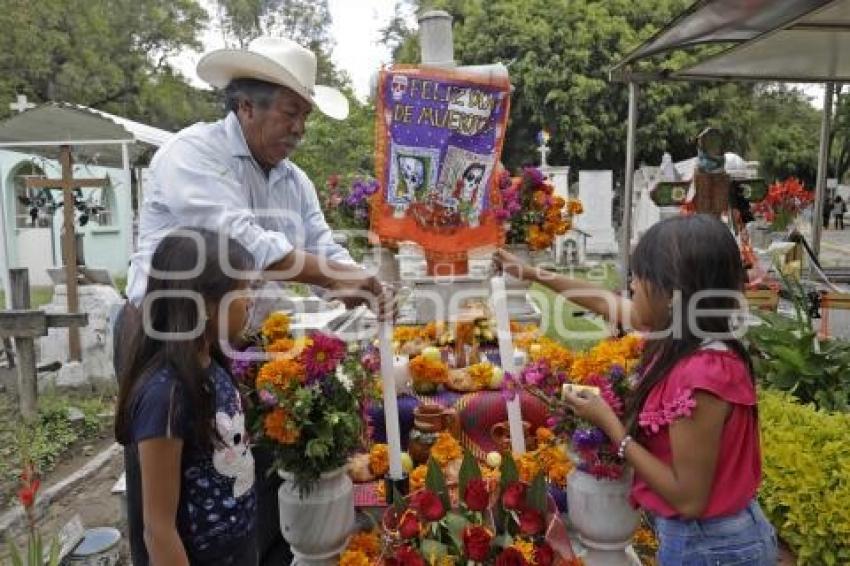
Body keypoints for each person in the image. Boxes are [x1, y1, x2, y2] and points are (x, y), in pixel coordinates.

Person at [116, 37, 391, 565]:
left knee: (242, 476)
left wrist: (362, 280)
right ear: (246, 105)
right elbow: (248, 248)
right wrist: (340, 278)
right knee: (168, 498)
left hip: (240, 347)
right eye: (290, 114)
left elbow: (319, 245)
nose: (299, 130)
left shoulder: (294, 181)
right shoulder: (193, 154)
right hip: (168, 343)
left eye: (305, 117)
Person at [496, 215, 777, 565]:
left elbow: (688, 499)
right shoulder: (680, 335)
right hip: (704, 539)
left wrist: (610, 425)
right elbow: (601, 301)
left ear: (672, 295)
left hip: (714, 548)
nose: (630, 287)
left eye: (638, 279)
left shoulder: (702, 374)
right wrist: (533, 274)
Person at [115, 228, 257, 565]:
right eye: (242, 290)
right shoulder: (166, 395)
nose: (250, 300)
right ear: (206, 304)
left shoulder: (213, 366)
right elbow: (158, 528)